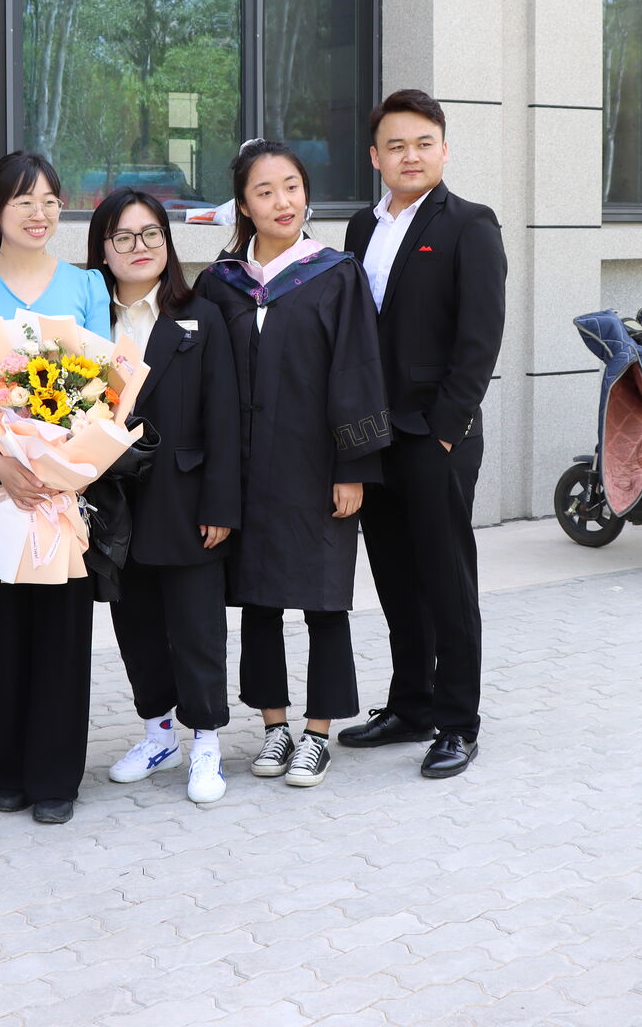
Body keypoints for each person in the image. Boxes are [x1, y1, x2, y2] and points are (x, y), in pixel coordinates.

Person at [194, 141, 391, 790]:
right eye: (265, 191)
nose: (282, 202)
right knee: (258, 600)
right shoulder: (222, 283)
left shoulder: (334, 274)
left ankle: (317, 733)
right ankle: (274, 726)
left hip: (317, 468)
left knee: (323, 600)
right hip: (247, 470)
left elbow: (359, 370)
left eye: (292, 187)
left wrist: (353, 466)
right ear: (244, 205)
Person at [338, 90, 506, 778]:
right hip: (374, 435)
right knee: (396, 580)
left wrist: (443, 433)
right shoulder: (361, 228)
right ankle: (411, 706)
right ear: (375, 157)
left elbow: (480, 339)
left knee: (447, 582)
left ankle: (458, 722)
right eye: (396, 146)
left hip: (436, 437)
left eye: (423, 143)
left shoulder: (470, 224)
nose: (411, 156)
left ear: (444, 149)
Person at [0, 152, 112, 825]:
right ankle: (10, 770)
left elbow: (103, 385)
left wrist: (63, 466)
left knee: (63, 627)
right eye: (23, 201)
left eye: (50, 199)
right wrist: (0, 462)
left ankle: (56, 777)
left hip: (65, 483)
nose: (40, 212)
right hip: (1, 477)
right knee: (9, 624)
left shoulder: (86, 285)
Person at [87, 188, 241, 805]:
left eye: (151, 233)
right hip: (116, 502)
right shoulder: (87, 319)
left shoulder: (200, 315)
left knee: (197, 627)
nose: (139, 247)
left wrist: (221, 505)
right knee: (136, 624)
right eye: (123, 237)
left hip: (186, 497)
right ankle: (158, 735)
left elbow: (225, 415)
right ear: (103, 248)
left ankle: (206, 742)